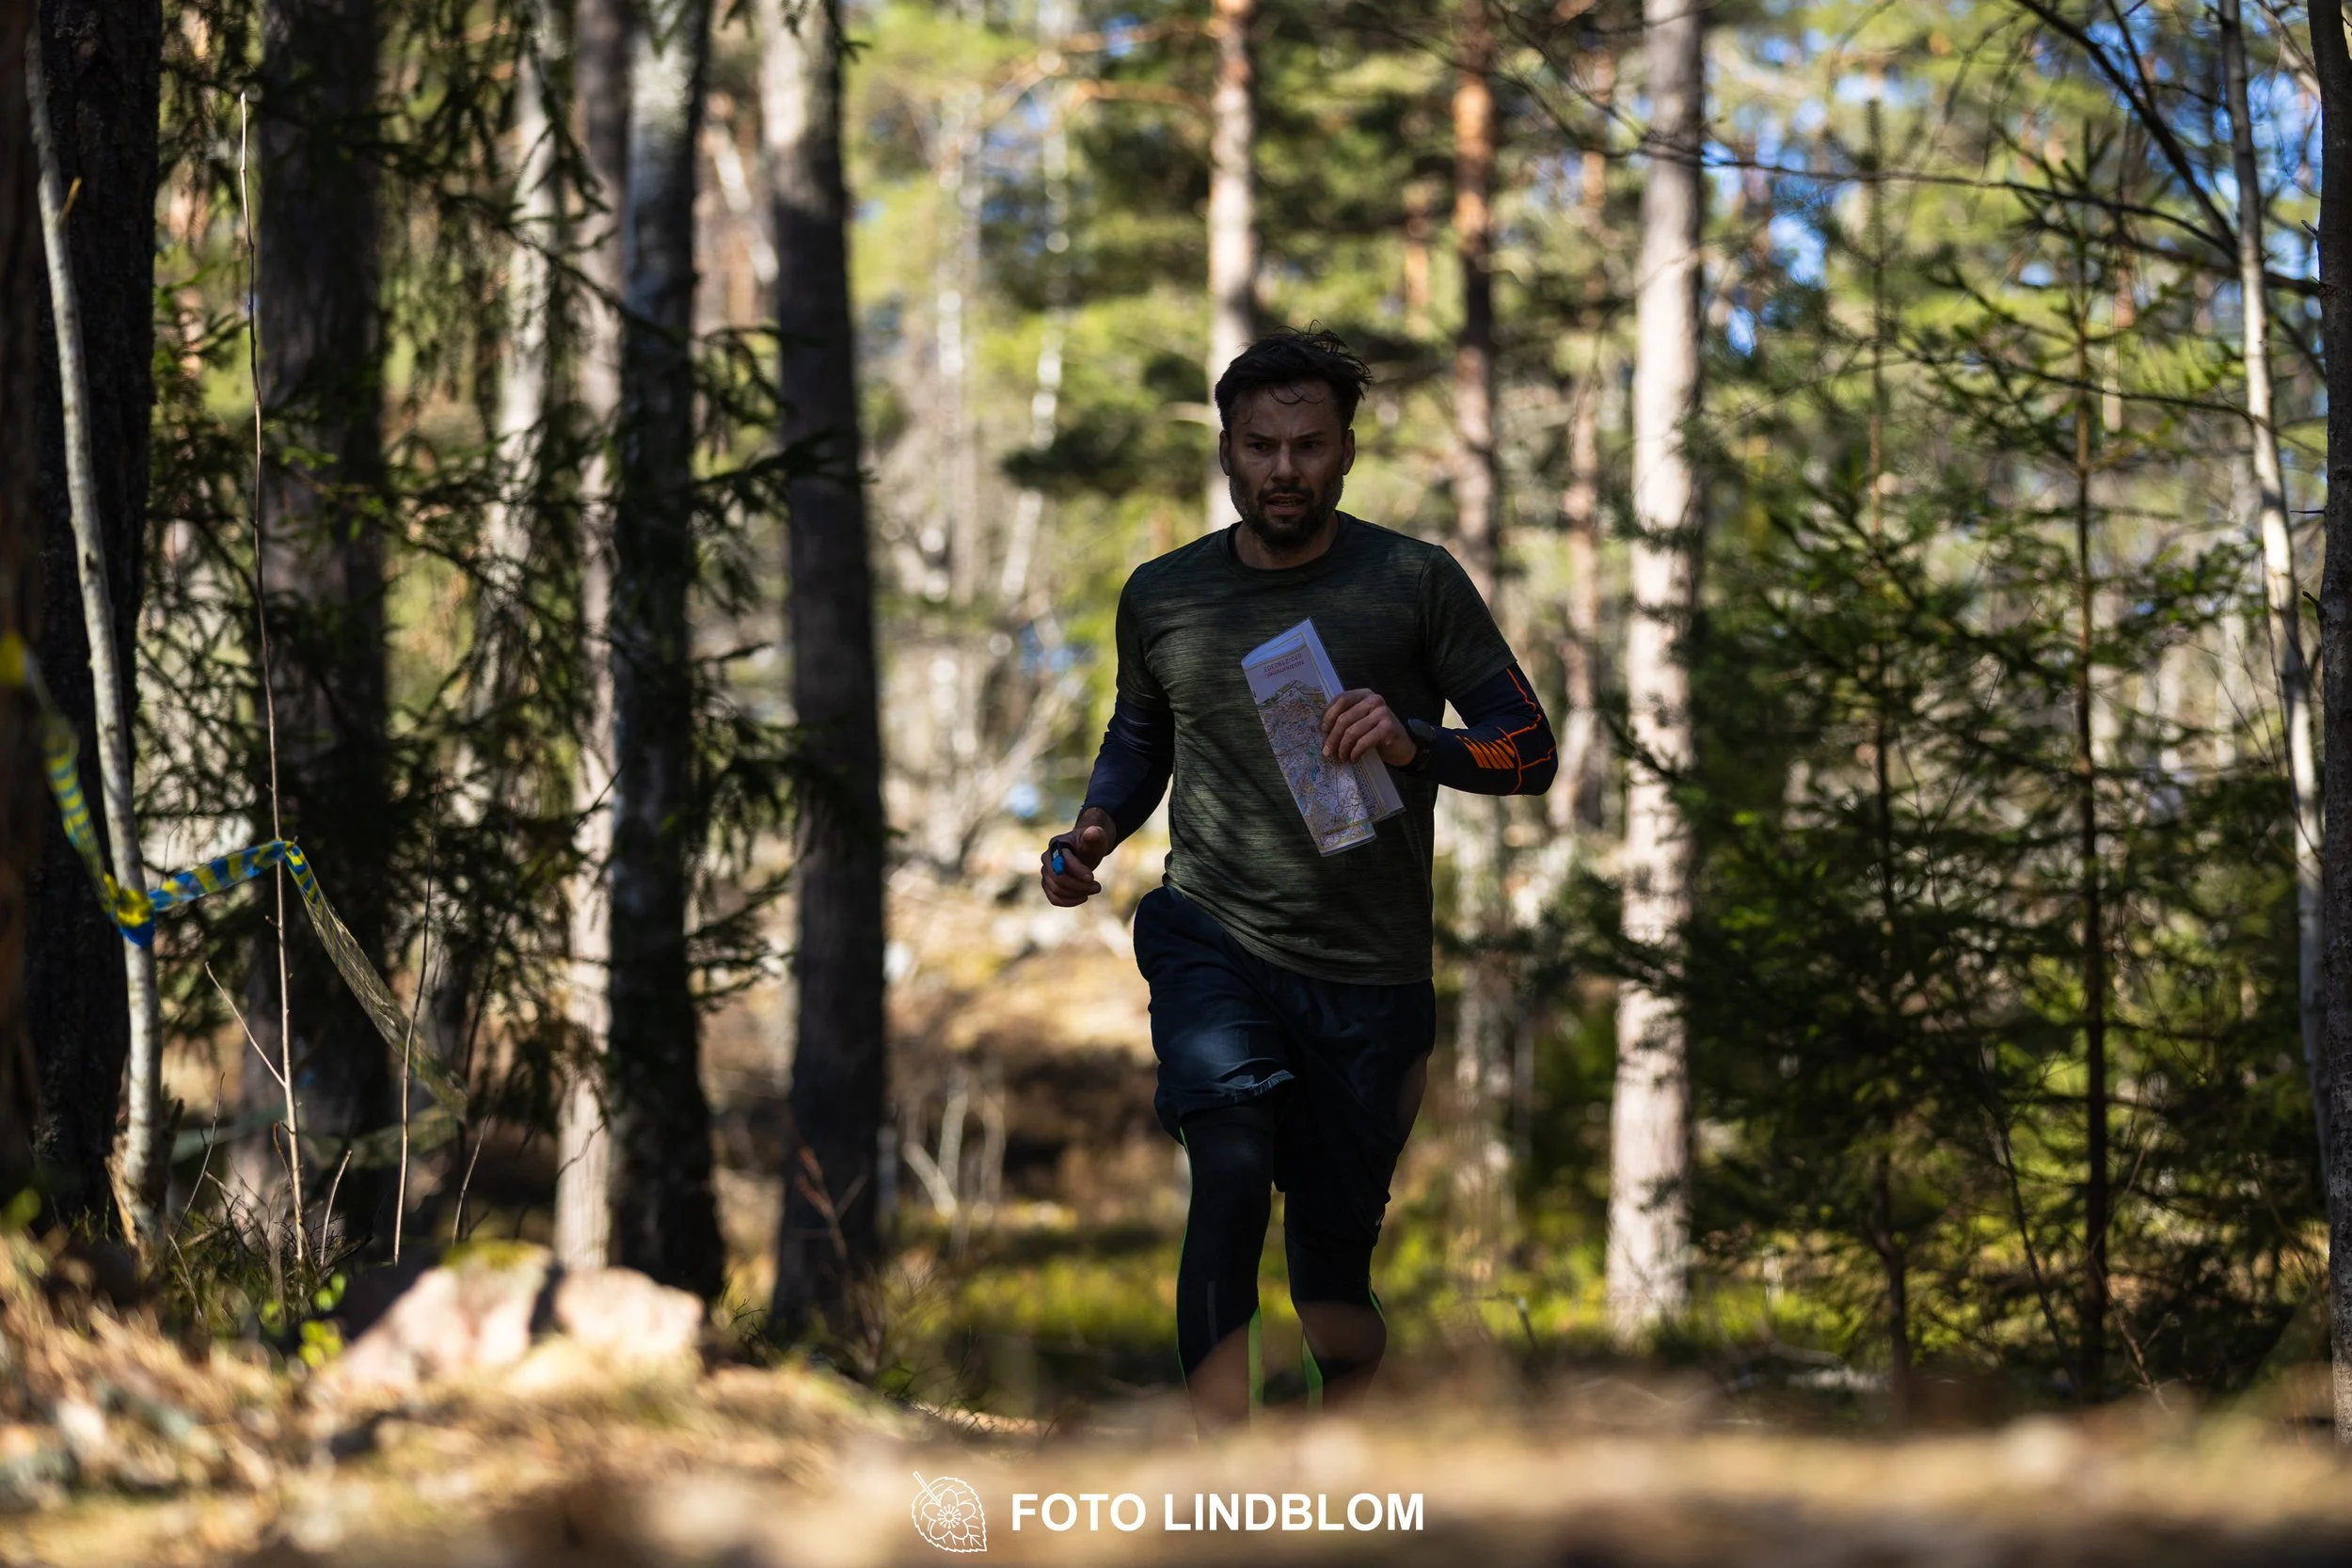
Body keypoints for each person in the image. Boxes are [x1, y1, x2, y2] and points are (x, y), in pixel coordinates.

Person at [1039, 328, 1556, 1430]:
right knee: (1228, 1166)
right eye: (1260, 446)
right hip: (1211, 932)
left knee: (1331, 1259)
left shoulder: (1412, 580)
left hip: (1369, 975)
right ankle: (1221, 1454)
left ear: (1346, 451)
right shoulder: (1163, 594)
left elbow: (1530, 747)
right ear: (1226, 450)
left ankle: (1332, 1457)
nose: (1284, 469)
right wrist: (1094, 828)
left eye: (1308, 445)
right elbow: (1140, 735)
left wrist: (1417, 741)